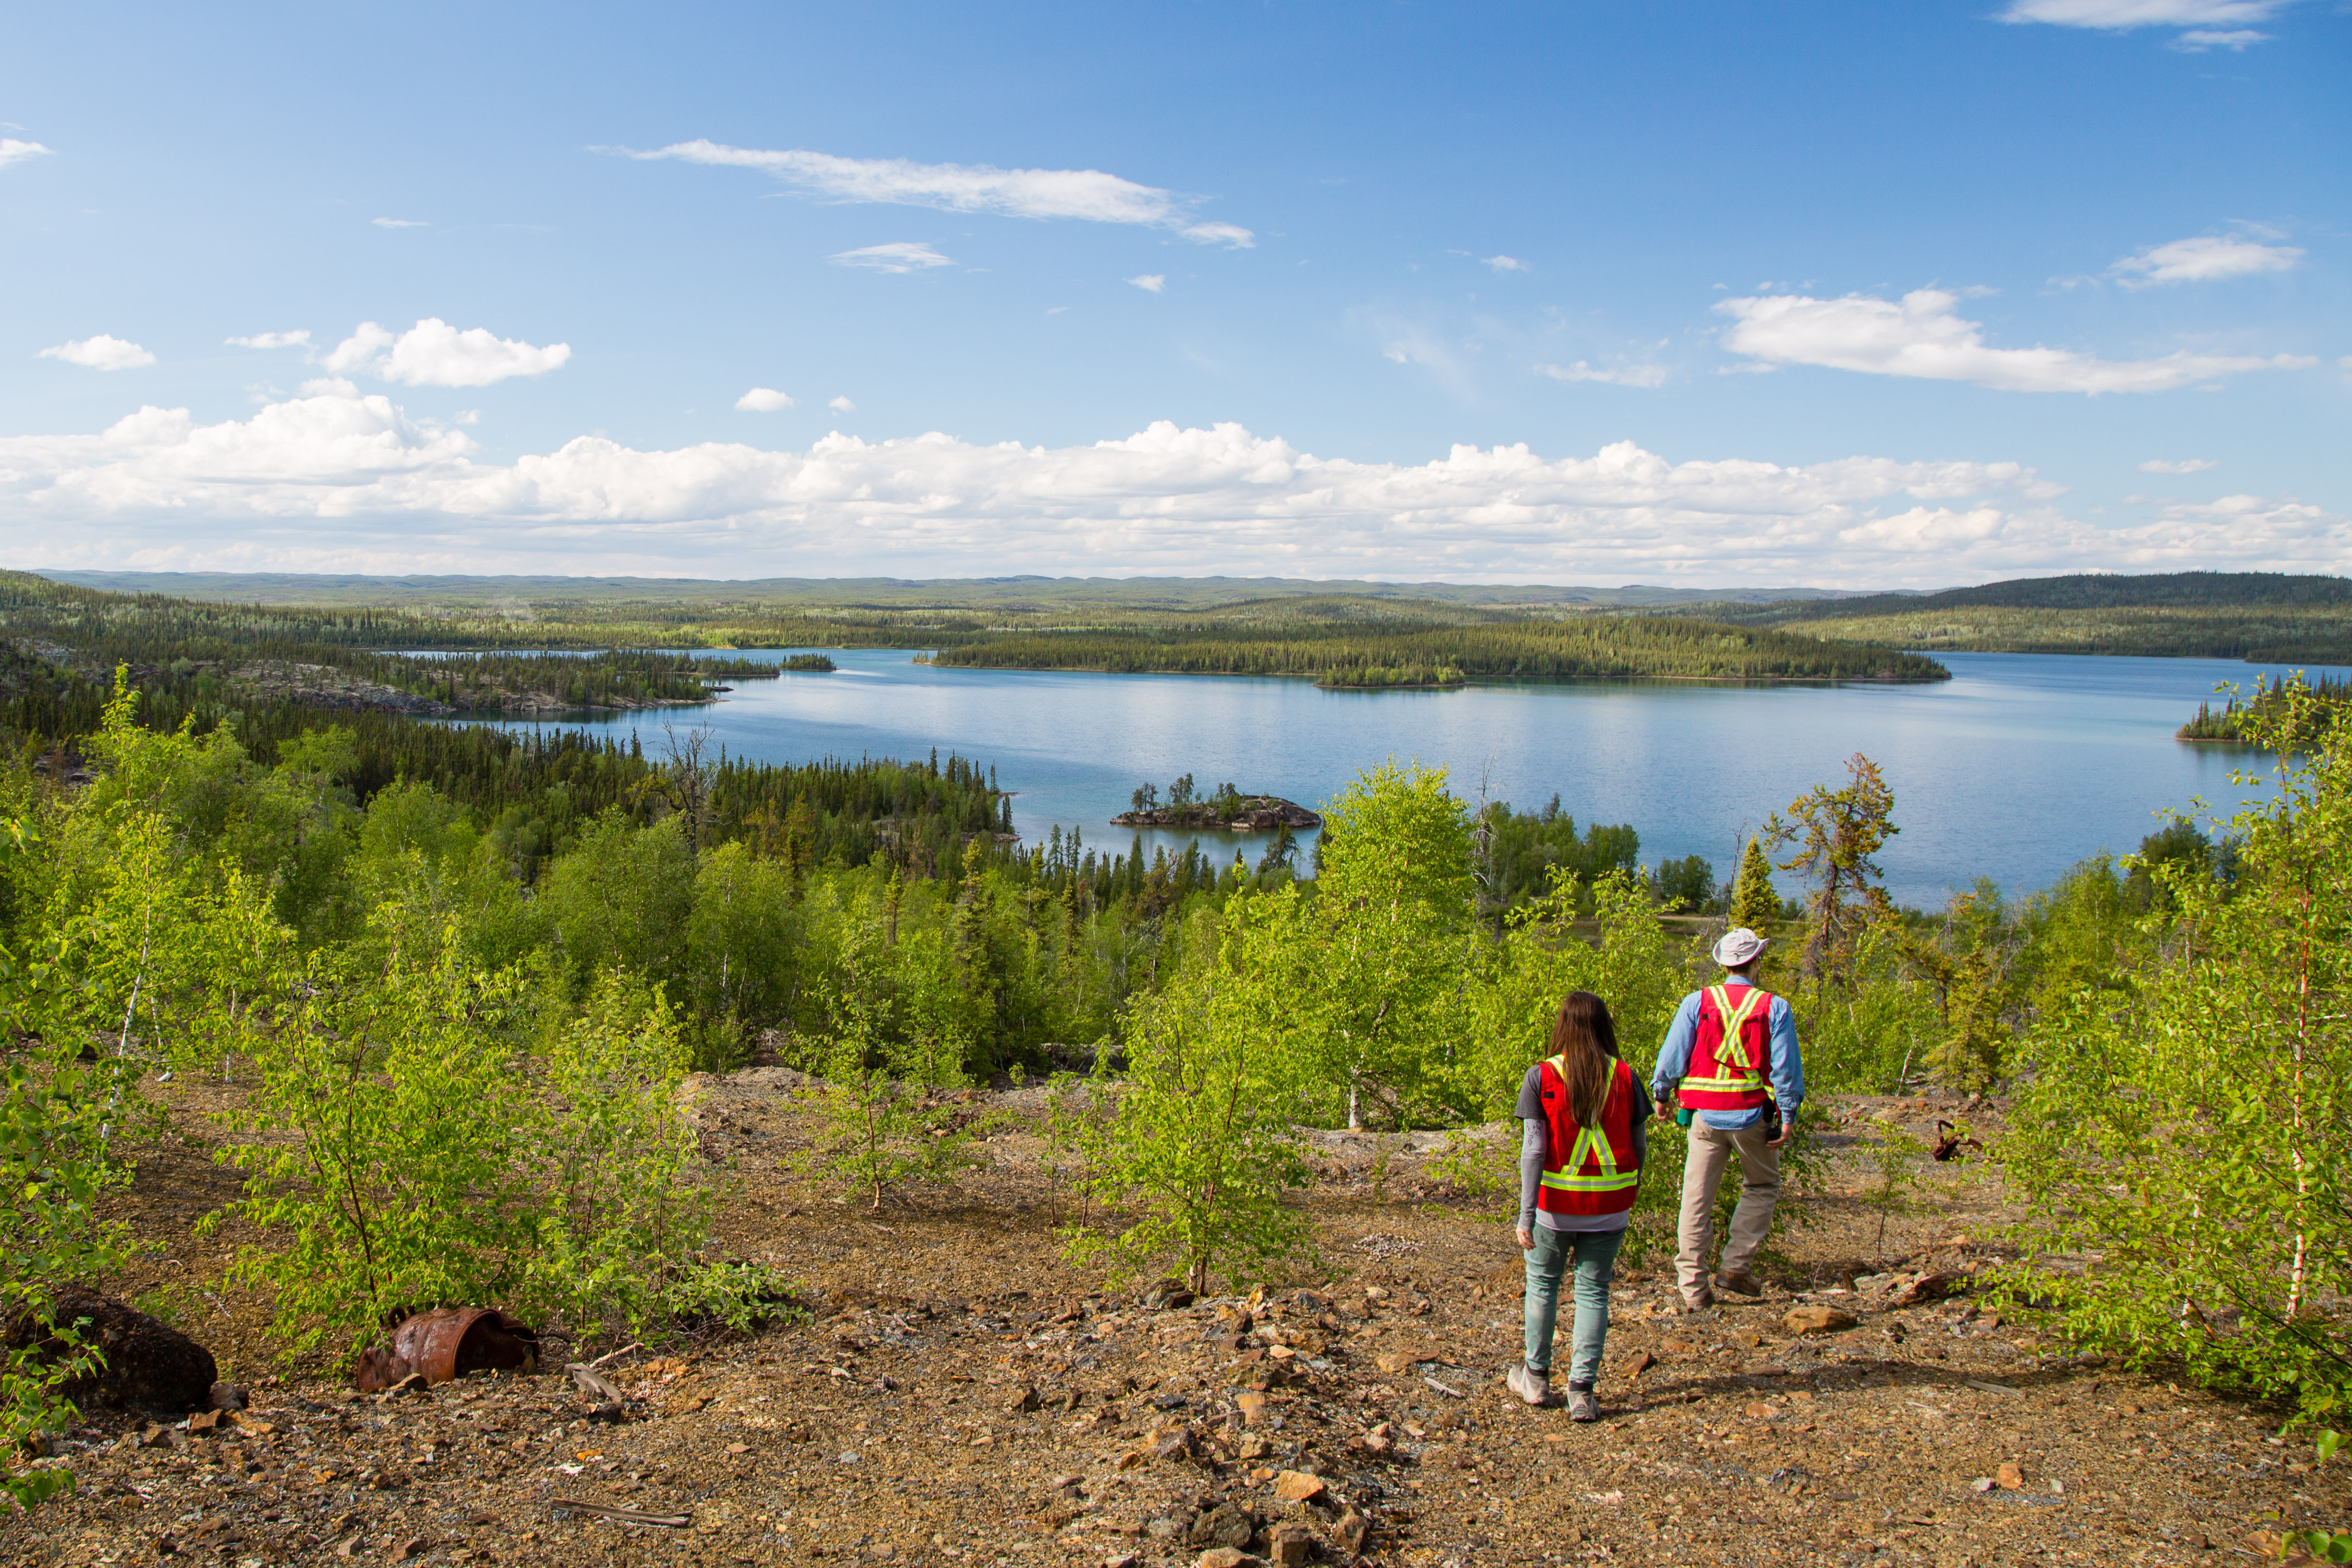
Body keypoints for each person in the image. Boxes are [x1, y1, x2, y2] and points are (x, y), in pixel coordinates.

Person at [1508, 990, 1652, 1421]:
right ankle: (1582, 1393)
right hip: (1611, 1204)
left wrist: (1526, 1213)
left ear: (1562, 1026)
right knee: (1593, 1291)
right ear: (1604, 1026)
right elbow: (1639, 1145)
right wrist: (1629, 1190)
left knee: (1544, 1286)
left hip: (1555, 1204)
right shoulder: (1625, 1076)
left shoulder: (1541, 1076)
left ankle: (1535, 1379)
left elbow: (1534, 1151)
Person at [1650, 926, 1805, 1311]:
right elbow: (1785, 1071)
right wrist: (1788, 1114)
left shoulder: (1697, 1002)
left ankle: (1693, 1288)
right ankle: (1735, 1266)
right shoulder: (1774, 1007)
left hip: (1702, 1116)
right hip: (1751, 1115)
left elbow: (1672, 1056)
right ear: (1755, 962)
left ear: (1722, 962)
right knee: (1763, 1185)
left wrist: (1661, 1094)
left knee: (1697, 1199)